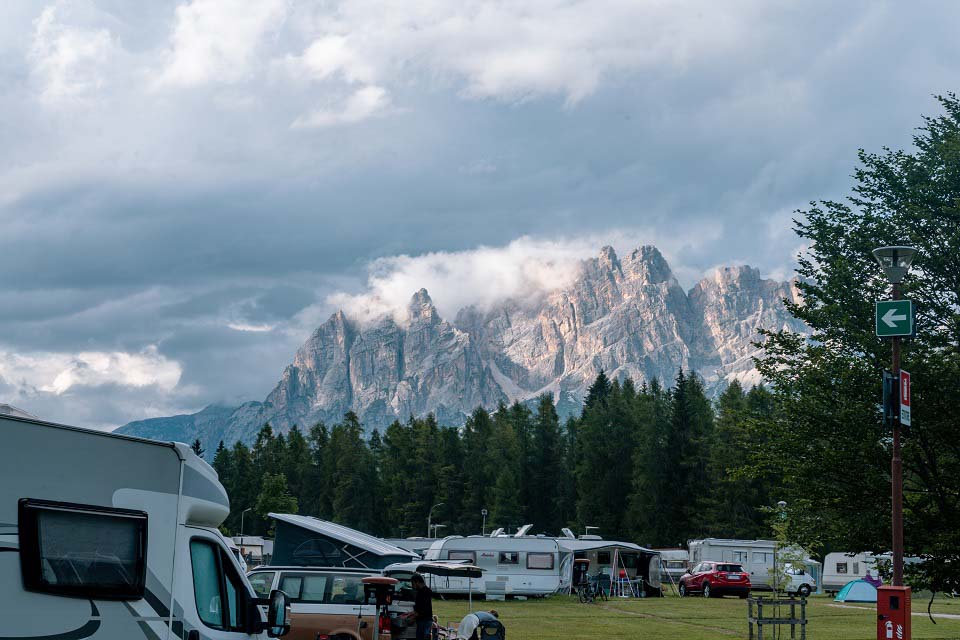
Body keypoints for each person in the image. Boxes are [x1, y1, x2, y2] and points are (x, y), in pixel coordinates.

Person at [411, 573, 434, 640]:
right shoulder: (424, 591)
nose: (412, 586)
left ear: (417, 582)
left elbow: (423, 608)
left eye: (413, 584)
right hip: (423, 620)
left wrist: (413, 617)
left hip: (425, 621)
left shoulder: (424, 592)